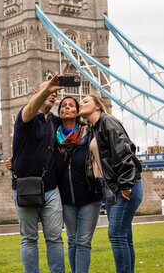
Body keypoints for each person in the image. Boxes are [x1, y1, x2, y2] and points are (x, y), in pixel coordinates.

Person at [79, 94, 143, 273]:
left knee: (115, 234)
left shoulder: (107, 121)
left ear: (97, 106)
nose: (80, 104)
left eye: (85, 101)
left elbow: (123, 150)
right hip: (110, 187)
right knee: (124, 237)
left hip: (123, 186)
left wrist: (125, 184)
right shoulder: (93, 128)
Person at [11, 75, 65, 273]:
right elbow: (31, 108)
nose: (53, 94)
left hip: (50, 188)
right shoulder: (25, 117)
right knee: (29, 238)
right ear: (37, 95)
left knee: (55, 238)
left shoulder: (56, 122)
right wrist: (47, 90)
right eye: (49, 91)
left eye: (55, 92)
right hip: (25, 187)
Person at [55, 96, 103, 273]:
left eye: (71, 105)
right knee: (72, 241)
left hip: (90, 196)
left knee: (83, 242)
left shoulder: (89, 132)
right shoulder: (54, 137)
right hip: (66, 198)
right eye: (63, 106)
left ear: (77, 112)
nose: (67, 108)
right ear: (59, 112)